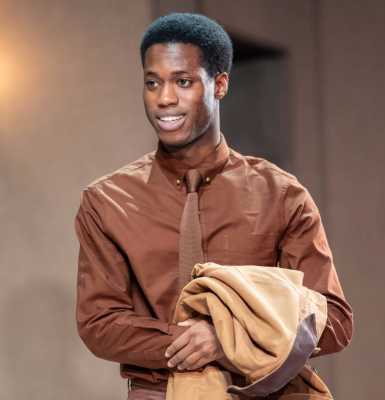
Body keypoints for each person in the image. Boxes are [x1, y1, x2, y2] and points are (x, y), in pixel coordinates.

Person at [74, 12, 353, 400]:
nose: (164, 98)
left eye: (183, 82)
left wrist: (229, 340)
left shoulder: (282, 195)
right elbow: (99, 323)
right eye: (152, 83)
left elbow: (334, 321)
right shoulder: (107, 201)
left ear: (219, 84)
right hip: (160, 393)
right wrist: (191, 342)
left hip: (265, 392)